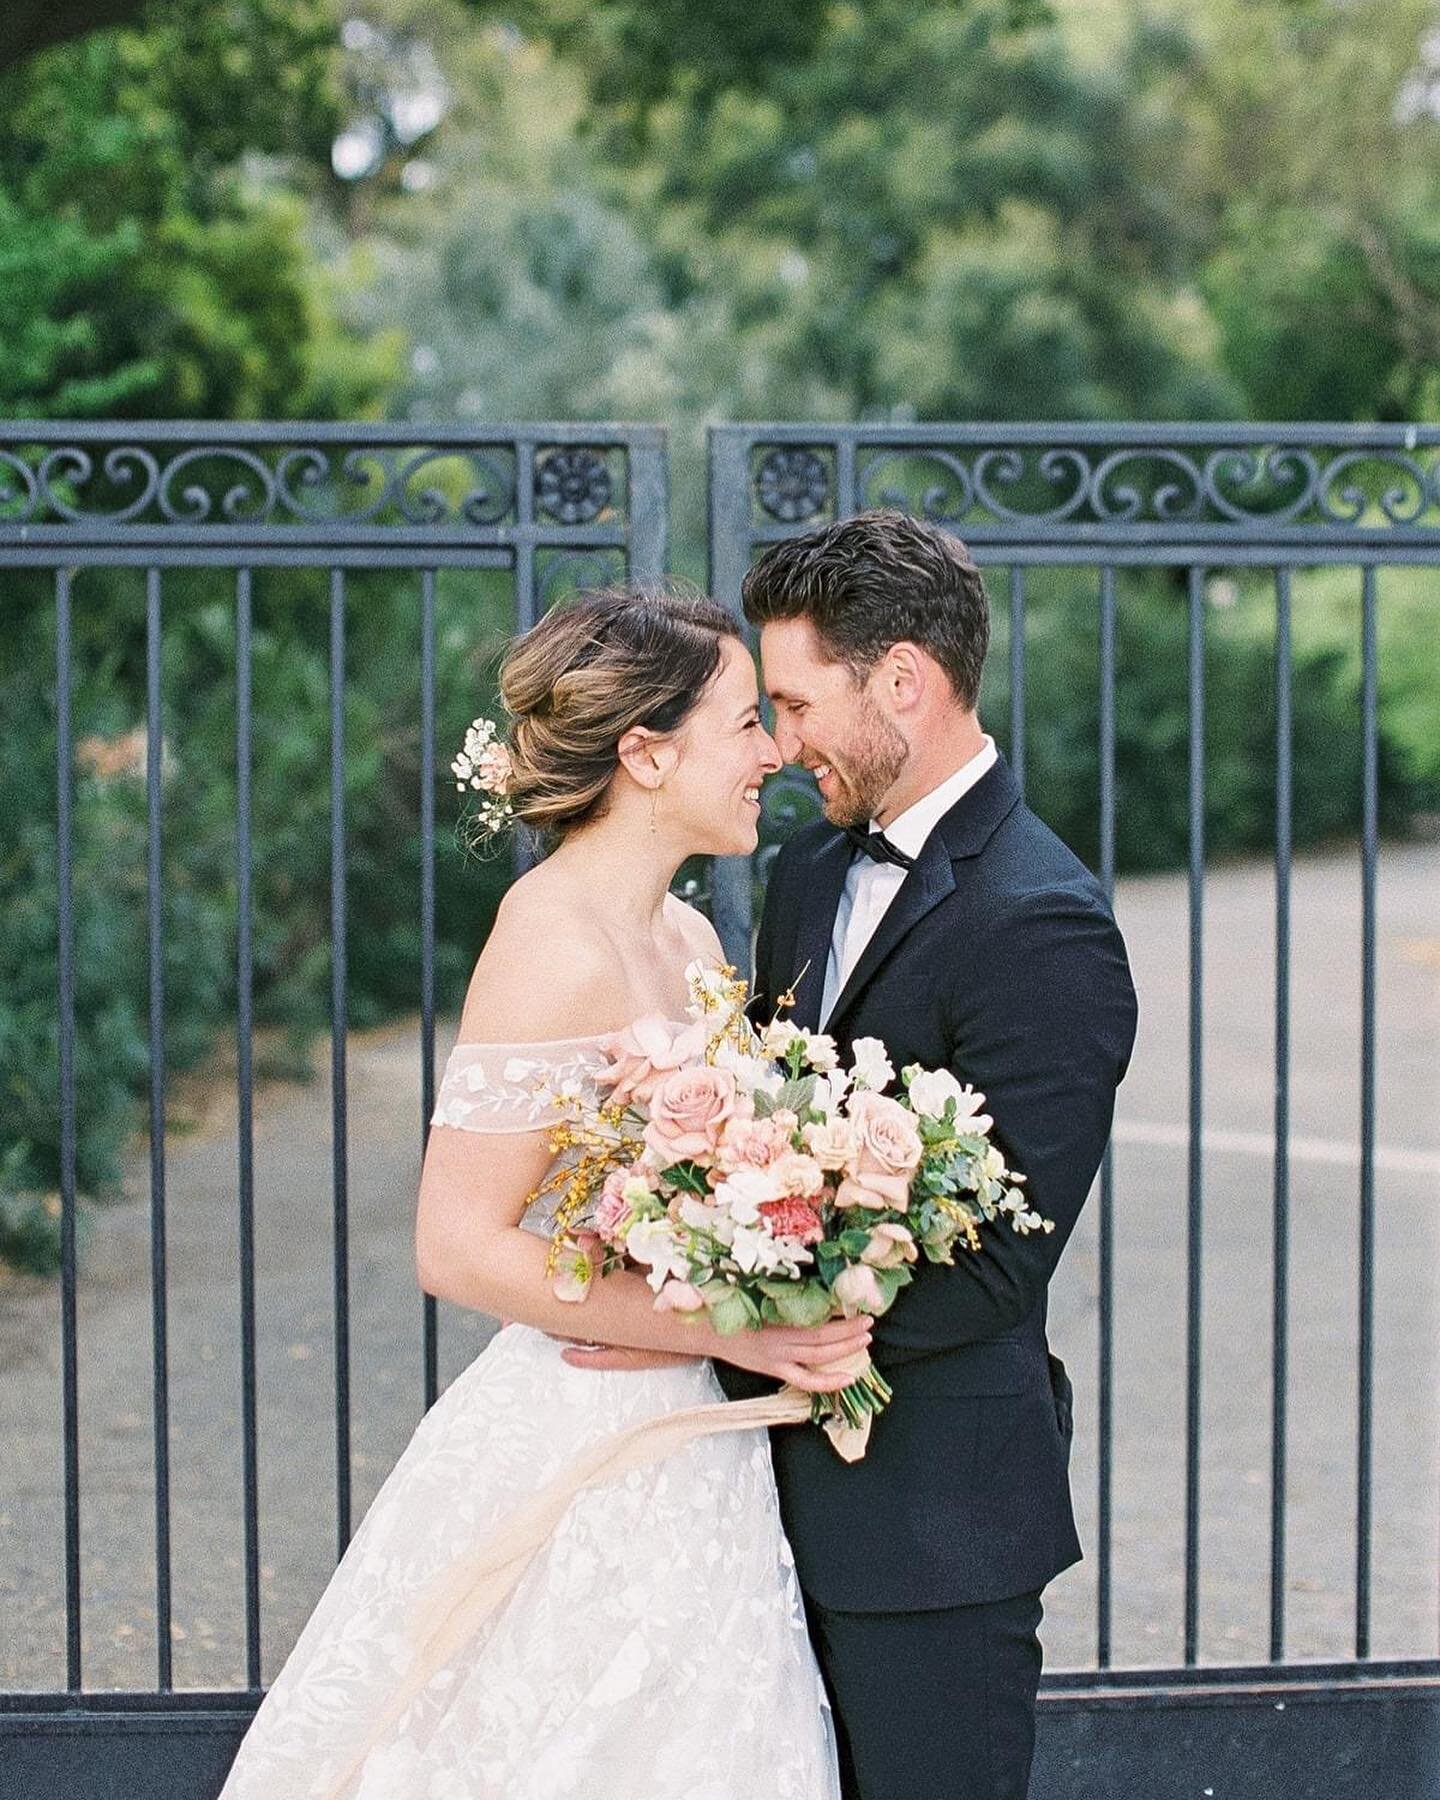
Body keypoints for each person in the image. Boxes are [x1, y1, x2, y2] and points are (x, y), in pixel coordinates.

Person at [216, 584, 856, 1800]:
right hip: (586, 1434)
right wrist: (734, 1326)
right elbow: (455, 1245)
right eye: (742, 724)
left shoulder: (691, 940)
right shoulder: (550, 941)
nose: (771, 753)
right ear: (646, 753)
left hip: (696, 1446)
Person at [712, 508, 1138, 1800]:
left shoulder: (1046, 922)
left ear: (903, 679)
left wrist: (754, 1331)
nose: (781, 748)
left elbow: (999, 1261)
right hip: (751, 1511)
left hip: (931, 1533)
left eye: (794, 704)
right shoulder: (800, 874)